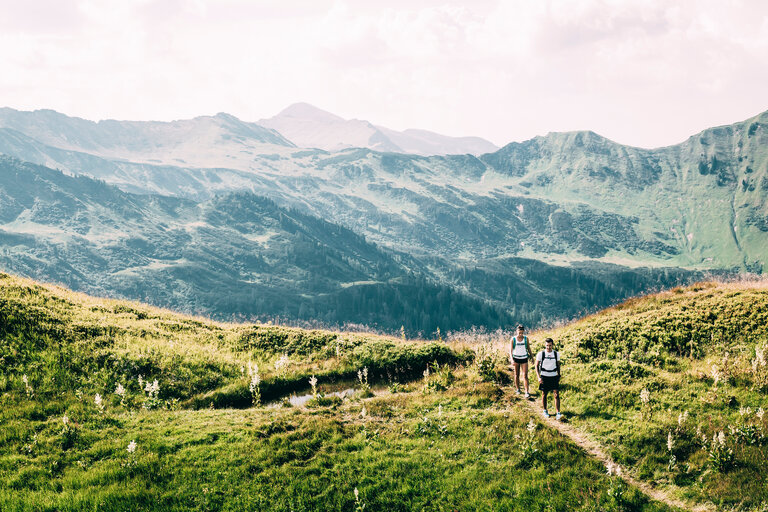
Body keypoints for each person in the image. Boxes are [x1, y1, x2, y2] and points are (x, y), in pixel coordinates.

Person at [536, 337, 561, 420]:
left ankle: (558, 412)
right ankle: (545, 410)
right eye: (547, 345)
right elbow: (536, 366)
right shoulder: (541, 354)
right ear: (545, 345)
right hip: (544, 375)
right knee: (544, 394)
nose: (548, 347)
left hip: (553, 375)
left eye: (550, 345)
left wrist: (559, 375)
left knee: (556, 394)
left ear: (552, 345)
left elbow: (558, 365)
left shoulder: (556, 354)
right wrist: (538, 377)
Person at [509, 325, 531, 399]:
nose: (520, 334)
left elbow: (528, 348)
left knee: (525, 375)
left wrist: (532, 357)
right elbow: (510, 351)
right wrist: (511, 359)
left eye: (522, 333)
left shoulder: (526, 338)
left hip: (524, 358)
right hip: (516, 358)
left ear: (523, 331)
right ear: (517, 331)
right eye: (519, 332)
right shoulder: (513, 339)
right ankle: (518, 389)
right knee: (516, 374)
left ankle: (527, 391)